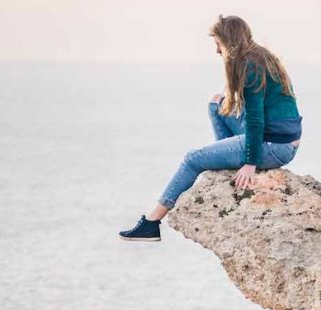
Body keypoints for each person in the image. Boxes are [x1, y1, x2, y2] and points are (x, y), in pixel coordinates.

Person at [119, 15, 302, 242]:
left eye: (218, 44)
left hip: (274, 145)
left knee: (192, 159)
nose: (217, 51)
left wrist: (250, 163)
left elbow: (256, 119)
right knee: (217, 103)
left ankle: (151, 223)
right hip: (280, 140)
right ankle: (223, 162)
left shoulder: (250, 65)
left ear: (230, 42)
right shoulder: (261, 56)